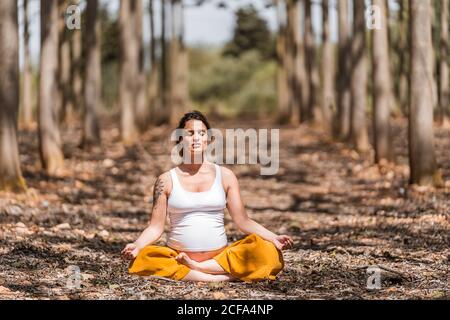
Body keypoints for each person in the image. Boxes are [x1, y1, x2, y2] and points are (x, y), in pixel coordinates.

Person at [122, 110, 294, 282]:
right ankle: (222, 277)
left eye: (202, 133)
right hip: (178, 256)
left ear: (208, 139)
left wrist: (273, 237)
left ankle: (200, 270)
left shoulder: (225, 176)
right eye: (190, 133)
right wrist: (137, 245)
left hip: (220, 258)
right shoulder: (166, 180)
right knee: (143, 258)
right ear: (180, 140)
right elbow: (155, 228)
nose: (196, 137)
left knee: (269, 251)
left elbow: (243, 221)